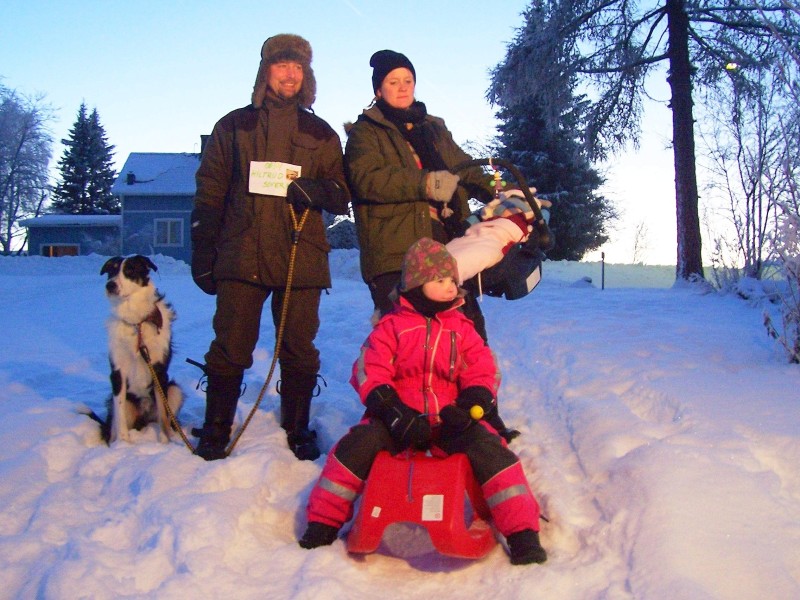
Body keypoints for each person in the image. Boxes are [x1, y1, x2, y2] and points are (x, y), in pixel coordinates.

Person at [298, 238, 547, 565]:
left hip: (449, 420)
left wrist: (474, 399)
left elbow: (482, 367)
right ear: (417, 284)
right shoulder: (391, 327)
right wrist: (390, 409)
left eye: (452, 281)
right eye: (440, 280)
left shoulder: (462, 328)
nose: (450, 287)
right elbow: (369, 369)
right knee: (354, 447)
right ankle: (322, 523)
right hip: (399, 420)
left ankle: (522, 534)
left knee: (492, 452)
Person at [190, 34, 350, 462]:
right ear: (266, 72)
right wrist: (204, 251)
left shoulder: (320, 132)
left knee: (300, 347)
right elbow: (209, 191)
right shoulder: (234, 126)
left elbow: (341, 193)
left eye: (298, 68)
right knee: (230, 345)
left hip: (303, 254)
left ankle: (297, 426)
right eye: (282, 66)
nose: (290, 74)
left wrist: (313, 188)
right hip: (243, 253)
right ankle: (216, 427)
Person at [344, 49, 497, 340]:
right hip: (395, 253)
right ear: (378, 90)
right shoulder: (367, 132)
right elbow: (367, 178)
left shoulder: (433, 129)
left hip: (443, 246)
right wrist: (424, 183)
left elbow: (464, 168)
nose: (402, 87)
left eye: (407, 80)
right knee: (408, 340)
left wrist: (502, 191)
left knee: (466, 333)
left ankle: (474, 385)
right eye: (392, 82)